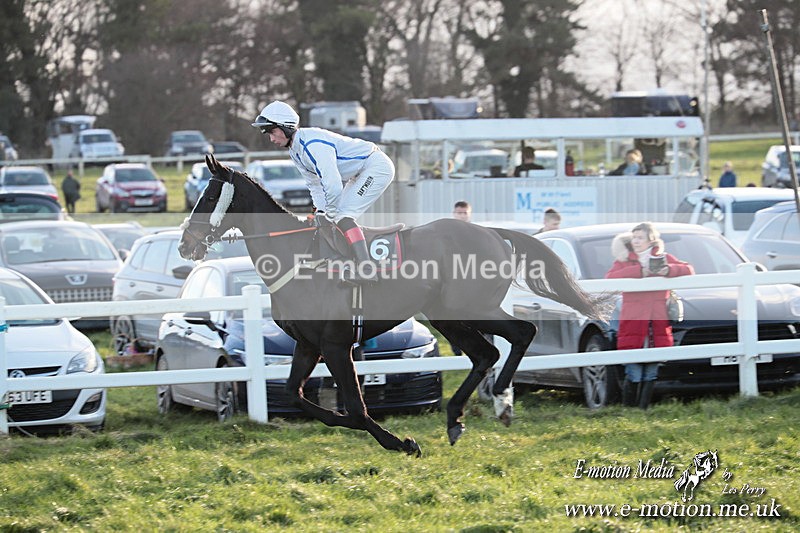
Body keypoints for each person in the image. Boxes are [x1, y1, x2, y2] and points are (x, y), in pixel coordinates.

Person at [252, 101, 395, 283]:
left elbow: (333, 184)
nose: (271, 138)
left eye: (272, 131)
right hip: (358, 173)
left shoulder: (312, 144)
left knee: (342, 216)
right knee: (331, 217)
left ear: (286, 127)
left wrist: (329, 213)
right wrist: (320, 212)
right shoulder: (295, 151)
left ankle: (366, 268)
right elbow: (315, 185)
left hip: (375, 167)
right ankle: (345, 261)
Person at [606, 222, 694, 409]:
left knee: (651, 371)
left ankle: (643, 410)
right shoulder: (623, 260)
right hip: (633, 322)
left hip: (656, 323)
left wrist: (669, 270)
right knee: (634, 370)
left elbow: (688, 269)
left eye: (640, 238)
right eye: (634, 237)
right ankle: (630, 410)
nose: (636, 241)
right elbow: (609, 279)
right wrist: (639, 272)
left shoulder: (664, 258)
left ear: (651, 240)